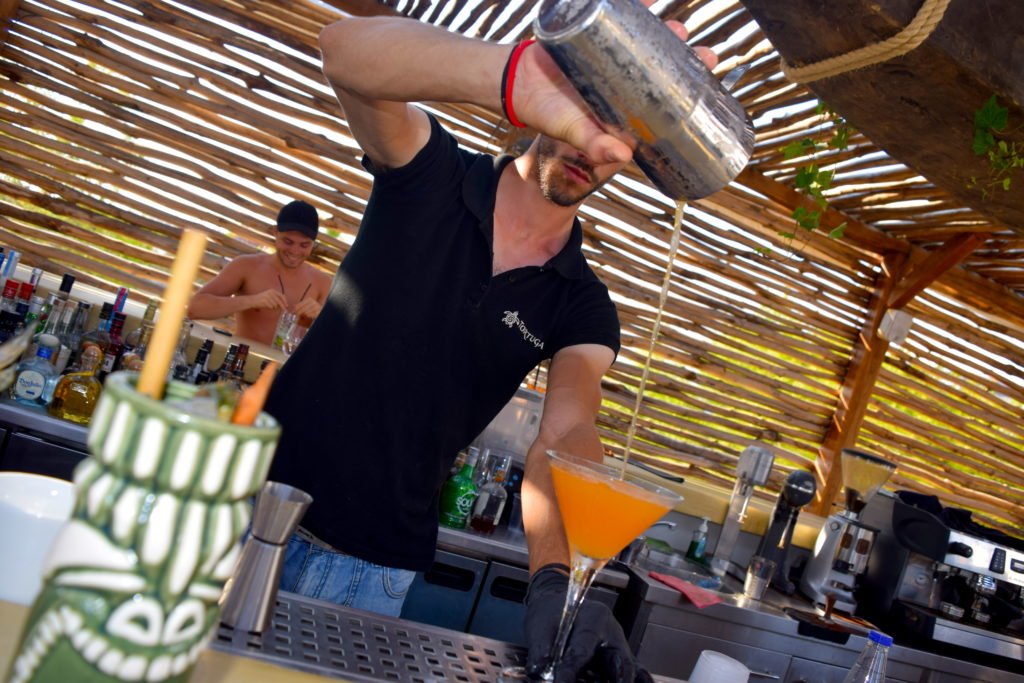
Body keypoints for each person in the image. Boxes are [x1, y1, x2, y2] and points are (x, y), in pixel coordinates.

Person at [264, 7, 717, 683]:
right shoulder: (432, 172)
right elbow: (342, 49)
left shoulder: (580, 304)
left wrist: (554, 580)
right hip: (249, 502)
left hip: (371, 568)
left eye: (622, 137)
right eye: (592, 113)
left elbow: (566, 435)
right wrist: (514, 76)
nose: (595, 147)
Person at [187, 200, 332, 345]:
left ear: (313, 243)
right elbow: (195, 309)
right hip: (243, 356)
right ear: (275, 232)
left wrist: (320, 318)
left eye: (304, 245)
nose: (295, 251)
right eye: (288, 242)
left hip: (292, 360)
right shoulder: (246, 266)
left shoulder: (323, 282)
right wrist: (252, 300)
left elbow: (336, 343)